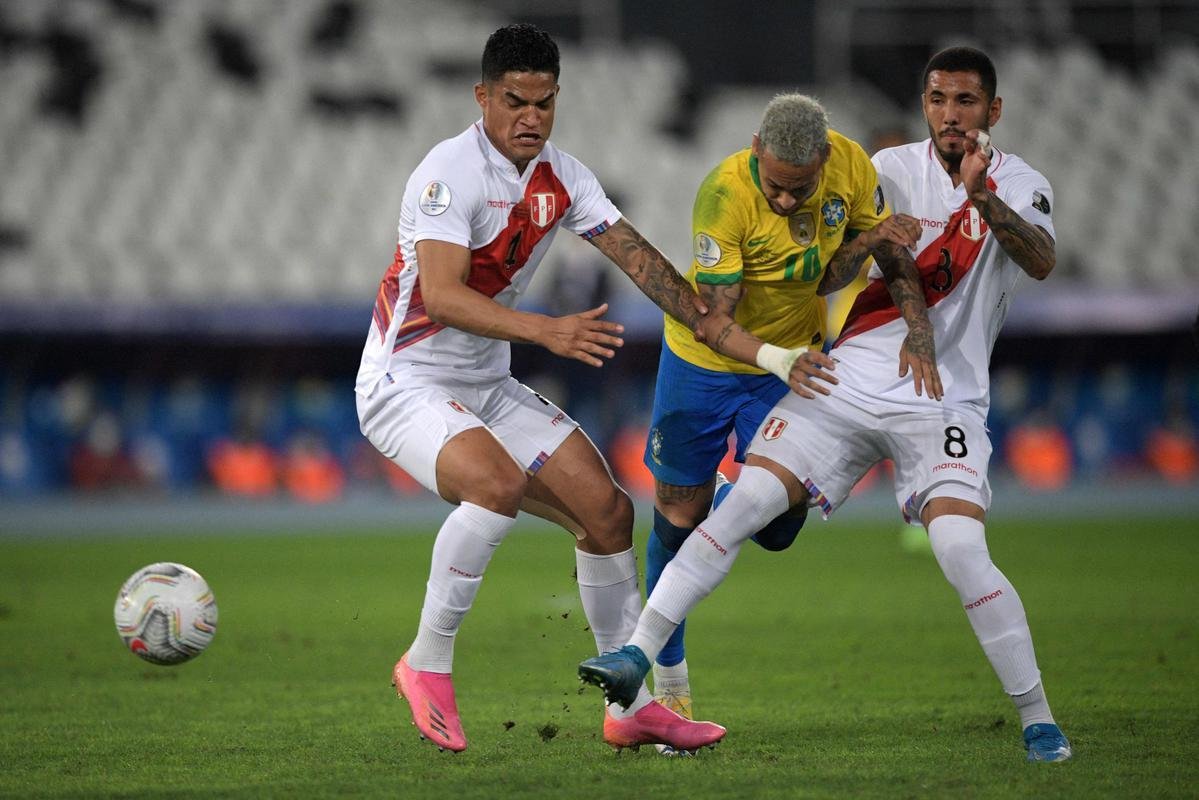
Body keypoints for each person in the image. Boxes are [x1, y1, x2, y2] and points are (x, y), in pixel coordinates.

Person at [580, 46, 1073, 763]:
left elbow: (1039, 260)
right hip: (842, 377)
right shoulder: (882, 170)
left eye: (965, 102)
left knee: (960, 549)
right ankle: (635, 657)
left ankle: (1037, 719)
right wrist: (880, 266)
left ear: (991, 112)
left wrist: (981, 197)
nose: (949, 115)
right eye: (937, 99)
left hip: (943, 398)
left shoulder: (1021, 183)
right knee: (744, 504)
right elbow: (843, 266)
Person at [355, 23, 824, 755]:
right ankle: (425, 662)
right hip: (404, 380)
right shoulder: (447, 173)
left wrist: (707, 320)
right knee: (494, 485)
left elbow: (635, 257)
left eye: (543, 103)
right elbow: (442, 298)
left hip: (483, 383)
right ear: (482, 97)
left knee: (608, 515)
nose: (530, 118)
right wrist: (545, 331)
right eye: (514, 102)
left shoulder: (563, 176)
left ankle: (628, 708)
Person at [640, 92, 933, 748]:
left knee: (777, 530)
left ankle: (725, 498)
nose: (780, 201)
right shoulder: (723, 196)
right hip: (703, 362)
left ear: (825, 160)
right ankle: (670, 686)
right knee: (673, 519)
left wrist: (908, 309)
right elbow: (714, 321)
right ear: (754, 151)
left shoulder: (853, 170)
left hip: (790, 363)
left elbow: (835, 272)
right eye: (772, 185)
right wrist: (776, 356)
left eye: (795, 189)